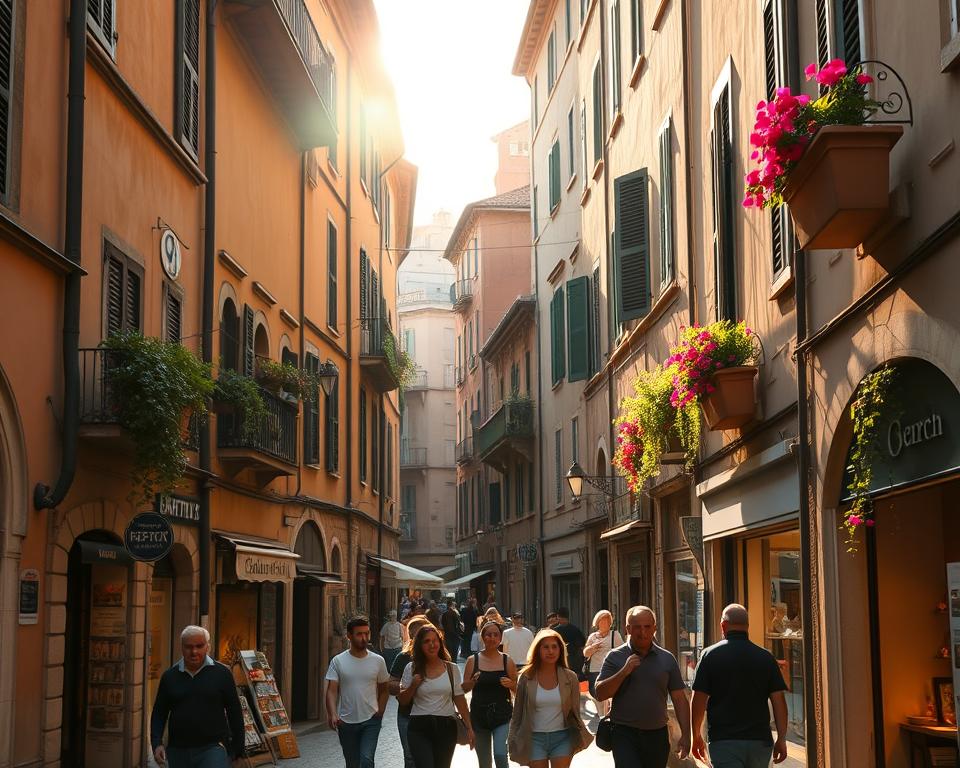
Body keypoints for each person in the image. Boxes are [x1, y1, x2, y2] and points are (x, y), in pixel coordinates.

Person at [691, 604, 789, 767]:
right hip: (759, 741)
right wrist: (782, 738)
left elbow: (698, 700)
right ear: (747, 627)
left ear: (723, 625)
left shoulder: (709, 655)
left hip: (723, 741)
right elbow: (779, 702)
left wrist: (696, 736)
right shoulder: (766, 657)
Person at [596, 606, 690, 767]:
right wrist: (624, 671)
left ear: (654, 628)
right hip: (624, 733)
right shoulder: (615, 657)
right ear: (628, 629)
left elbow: (680, 699)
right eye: (637, 627)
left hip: (657, 734)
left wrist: (687, 735)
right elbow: (600, 693)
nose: (643, 632)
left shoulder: (667, 659)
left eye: (647, 627)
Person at [150, 625, 244, 768]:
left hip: (213, 749)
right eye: (189, 647)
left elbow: (234, 712)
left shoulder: (222, 674)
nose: (194, 652)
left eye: (199, 646)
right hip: (177, 750)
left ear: (208, 647)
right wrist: (157, 744)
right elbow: (159, 713)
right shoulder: (170, 677)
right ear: (181, 647)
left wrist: (238, 751)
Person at [507, 629, 593, 768]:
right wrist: (512, 739)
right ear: (538, 650)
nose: (550, 651)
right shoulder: (526, 677)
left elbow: (575, 712)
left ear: (560, 650)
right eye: (545, 647)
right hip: (534, 738)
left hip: (562, 737)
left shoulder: (570, 677)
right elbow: (517, 713)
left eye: (554, 647)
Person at [399, 624, 475, 768]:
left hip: (446, 727)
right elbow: (403, 700)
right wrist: (414, 685)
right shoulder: (411, 668)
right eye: (426, 641)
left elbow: (460, 699)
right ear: (419, 646)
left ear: (440, 643)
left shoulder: (452, 669)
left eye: (435, 640)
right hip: (419, 727)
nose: (432, 644)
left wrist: (469, 727)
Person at [325, 616, 391, 768]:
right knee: (352, 763)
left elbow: (384, 688)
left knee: (367, 759)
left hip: (371, 720)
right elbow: (332, 691)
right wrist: (333, 714)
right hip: (346, 722)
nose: (364, 638)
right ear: (349, 635)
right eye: (359, 634)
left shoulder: (378, 661)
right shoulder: (338, 661)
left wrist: (380, 710)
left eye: (367, 633)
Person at [463, 621, 518, 768]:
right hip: (479, 717)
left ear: (500, 638)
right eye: (488, 635)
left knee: (500, 755)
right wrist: (472, 682)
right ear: (482, 637)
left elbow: (518, 690)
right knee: (484, 762)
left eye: (496, 635)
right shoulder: (472, 660)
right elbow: (463, 689)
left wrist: (512, 685)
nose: (492, 638)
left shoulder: (508, 661)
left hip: (502, 715)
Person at [390, 616, 433, 768]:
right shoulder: (403, 658)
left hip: (432, 715)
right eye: (417, 635)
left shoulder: (436, 657)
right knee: (410, 757)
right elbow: (391, 684)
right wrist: (407, 686)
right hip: (407, 714)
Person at [583, 610, 623, 715]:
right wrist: (593, 647)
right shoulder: (593, 637)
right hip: (594, 670)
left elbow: (623, 652)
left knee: (610, 696)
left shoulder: (615, 635)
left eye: (606, 621)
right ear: (597, 623)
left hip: (610, 670)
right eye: (601, 621)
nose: (604, 624)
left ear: (610, 623)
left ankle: (609, 716)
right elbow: (585, 654)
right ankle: (602, 716)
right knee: (597, 696)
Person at [552, 608, 586, 683]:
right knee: (573, 682)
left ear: (558, 617)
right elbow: (582, 645)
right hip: (574, 661)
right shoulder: (576, 630)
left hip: (559, 660)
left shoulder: (555, 631)